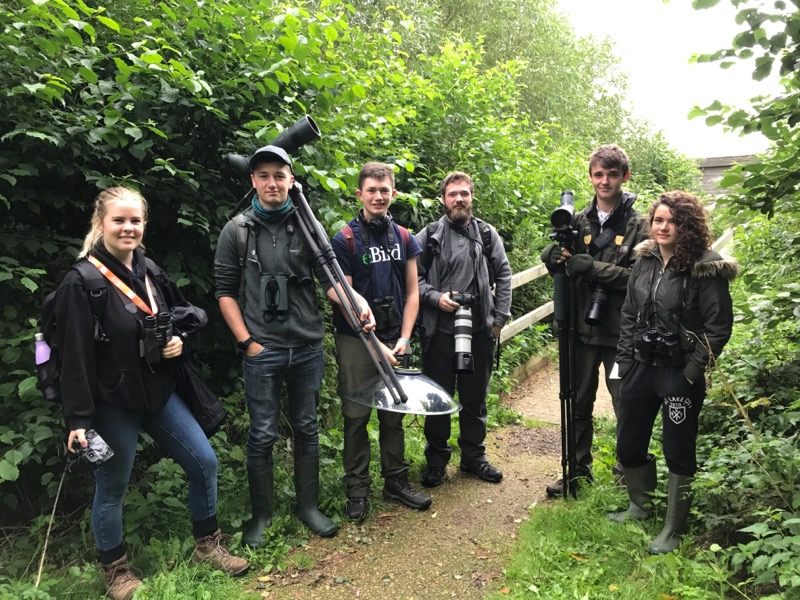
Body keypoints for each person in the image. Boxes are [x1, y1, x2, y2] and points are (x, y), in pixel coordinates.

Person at [59, 187, 248, 600]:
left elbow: (184, 313)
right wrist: (78, 420)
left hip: (159, 391)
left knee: (204, 462)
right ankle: (117, 572)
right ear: (101, 224)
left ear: (144, 226)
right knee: (112, 489)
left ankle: (207, 546)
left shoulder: (149, 269)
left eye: (135, 221)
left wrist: (179, 338)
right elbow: (74, 356)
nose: (128, 228)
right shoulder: (83, 281)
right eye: (119, 220)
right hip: (112, 403)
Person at [214, 145, 373, 546]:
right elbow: (225, 293)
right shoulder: (236, 230)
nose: (272, 183)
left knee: (306, 427)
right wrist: (247, 342)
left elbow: (331, 281)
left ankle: (309, 508)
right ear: (253, 181)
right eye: (264, 176)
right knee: (262, 433)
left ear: (291, 180)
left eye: (279, 175)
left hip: (307, 346)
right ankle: (262, 517)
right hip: (261, 350)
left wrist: (358, 303)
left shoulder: (307, 226)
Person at [609, 191, 737, 554]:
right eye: (659, 220)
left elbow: (718, 327)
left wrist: (692, 373)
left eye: (673, 221)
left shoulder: (704, 268)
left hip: (680, 373)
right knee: (628, 441)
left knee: (677, 449)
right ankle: (640, 505)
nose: (664, 227)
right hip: (641, 366)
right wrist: (625, 361)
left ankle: (673, 530)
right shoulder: (645, 260)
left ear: (687, 225)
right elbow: (630, 314)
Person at [540, 144, 650, 498]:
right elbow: (565, 265)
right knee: (577, 402)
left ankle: (628, 477)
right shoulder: (574, 219)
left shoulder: (640, 225)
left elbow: (641, 278)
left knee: (626, 406)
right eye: (598, 174)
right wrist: (553, 259)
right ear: (590, 177)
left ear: (624, 177)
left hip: (621, 332)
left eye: (612, 175)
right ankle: (576, 472)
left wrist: (594, 268)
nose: (605, 181)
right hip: (579, 329)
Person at [330, 162, 432, 521]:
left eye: (384, 190)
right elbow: (342, 296)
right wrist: (376, 345)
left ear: (394, 193)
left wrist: (405, 337)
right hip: (357, 341)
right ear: (359, 194)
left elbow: (412, 291)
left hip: (395, 338)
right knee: (356, 415)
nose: (378, 196)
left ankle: (396, 480)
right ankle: (357, 489)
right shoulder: (344, 239)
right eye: (371, 190)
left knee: (394, 414)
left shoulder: (404, 237)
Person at [415, 171, 512, 487]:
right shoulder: (428, 235)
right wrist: (435, 297)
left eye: (464, 194)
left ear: (472, 197)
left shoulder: (487, 234)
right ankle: (436, 462)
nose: (459, 199)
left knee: (475, 400)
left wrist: (498, 321)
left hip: (479, 332)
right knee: (437, 401)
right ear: (443, 199)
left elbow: (505, 276)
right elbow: (412, 280)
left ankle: (474, 458)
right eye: (453, 194)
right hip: (439, 333)